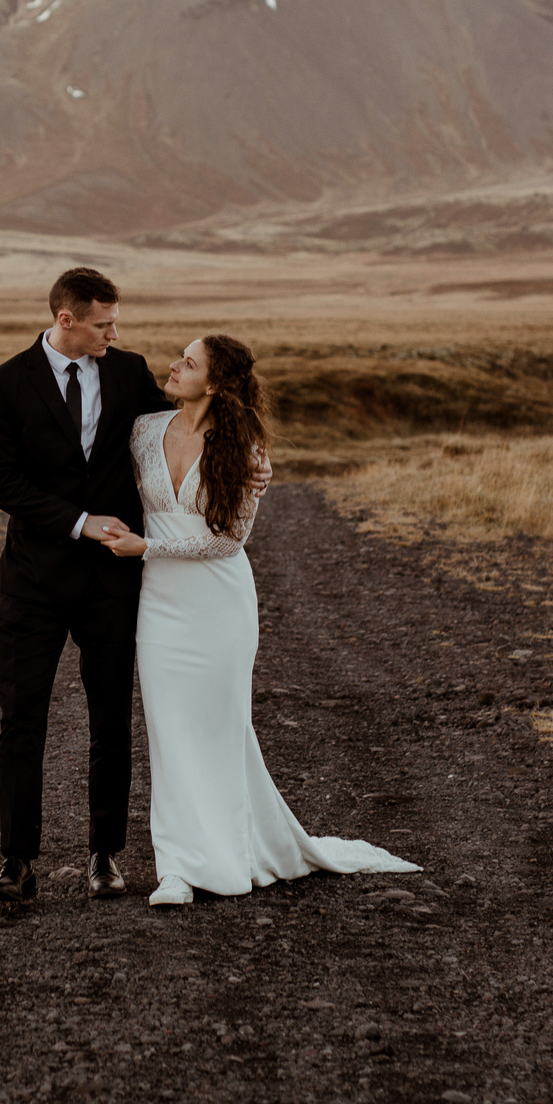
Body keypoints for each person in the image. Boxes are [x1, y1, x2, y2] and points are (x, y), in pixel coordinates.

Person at [100, 334, 419, 904]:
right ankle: (175, 866)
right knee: (168, 732)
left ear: (216, 384)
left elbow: (229, 541)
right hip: (159, 604)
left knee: (221, 730)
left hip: (218, 603)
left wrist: (145, 548)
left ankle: (227, 853)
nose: (173, 366)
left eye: (189, 363)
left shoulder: (243, 448)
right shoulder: (144, 428)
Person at [0, 266, 172, 902]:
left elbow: (175, 437)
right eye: (104, 323)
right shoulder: (3, 385)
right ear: (67, 320)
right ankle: (16, 862)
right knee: (21, 719)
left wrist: (244, 461)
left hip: (111, 582)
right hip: (32, 580)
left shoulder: (128, 371)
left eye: (116, 322)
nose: (115, 333)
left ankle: (105, 854)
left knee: (111, 717)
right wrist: (83, 524)